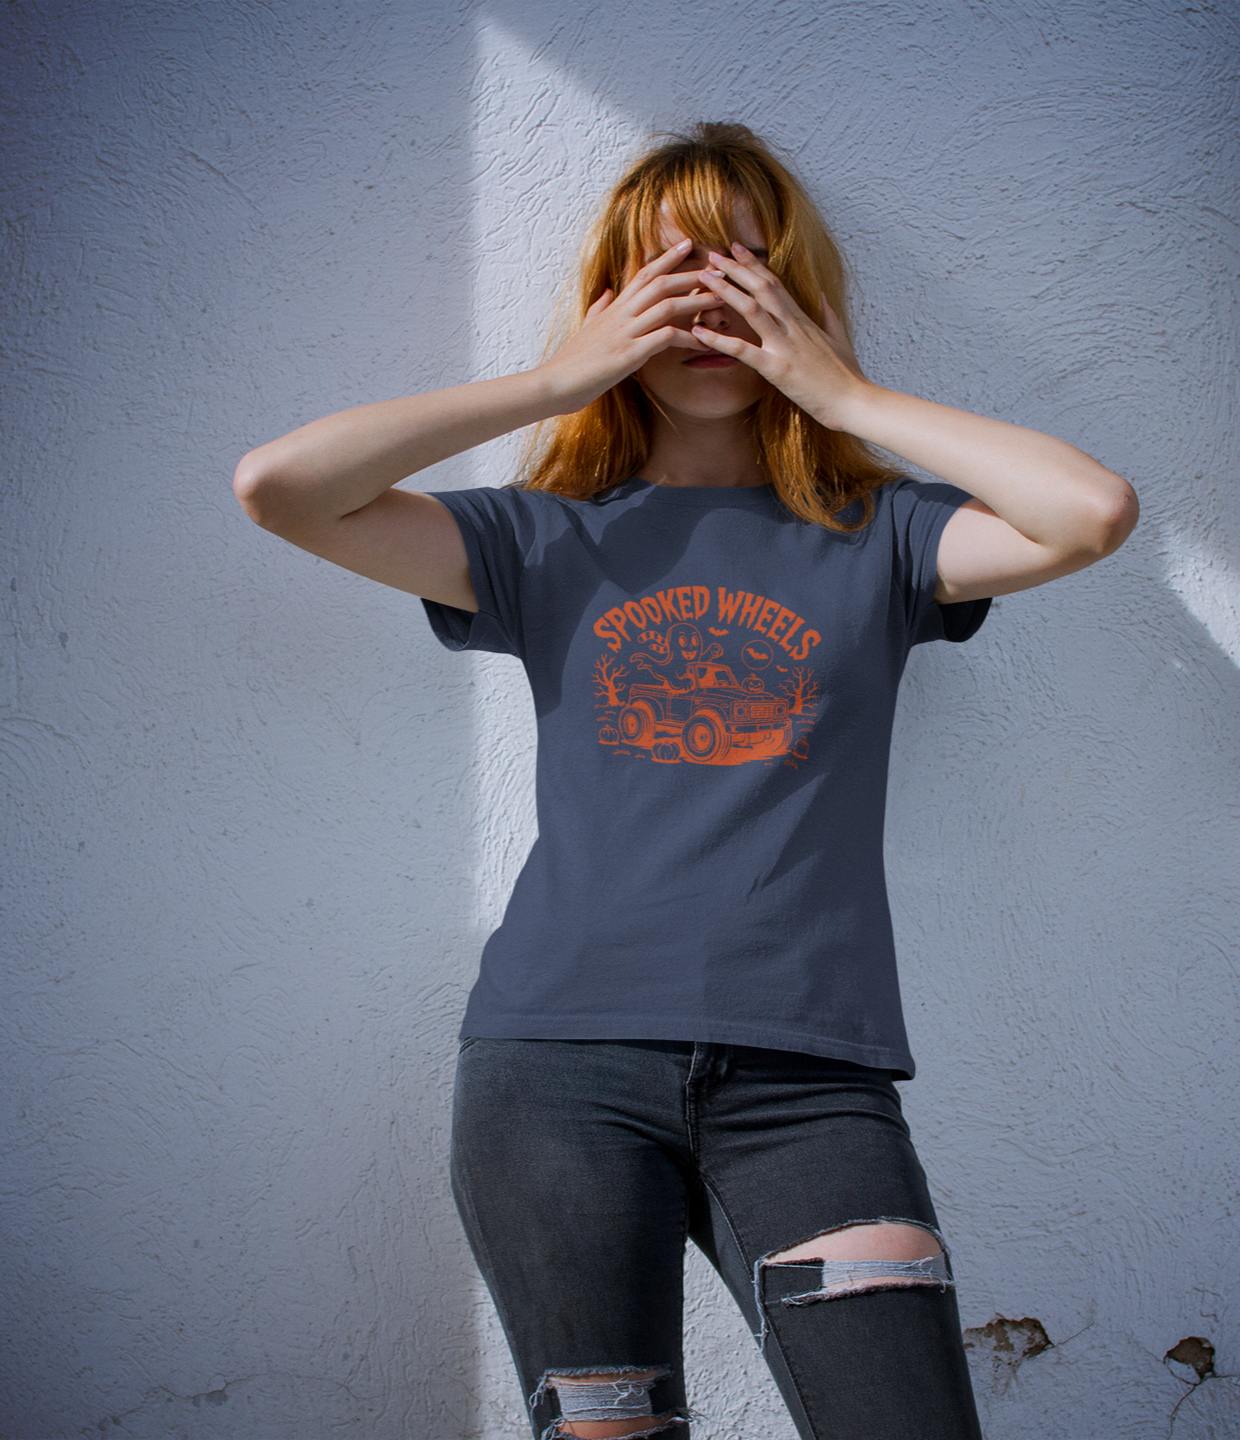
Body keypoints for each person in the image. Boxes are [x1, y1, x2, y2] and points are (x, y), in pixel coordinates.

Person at [234, 121, 1137, 1440]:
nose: (706, 312)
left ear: (800, 296)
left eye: (745, 276)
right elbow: (281, 488)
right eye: (669, 279)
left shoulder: (882, 533)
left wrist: (844, 396)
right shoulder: (537, 539)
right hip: (556, 1076)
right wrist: (554, 382)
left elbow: (1093, 514)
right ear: (615, 302)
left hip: (809, 1084)